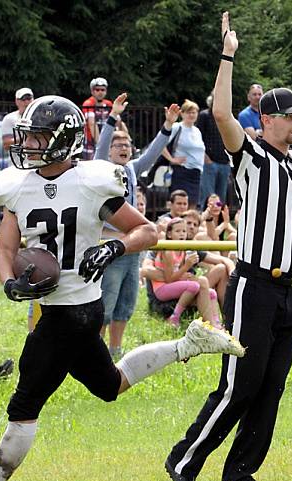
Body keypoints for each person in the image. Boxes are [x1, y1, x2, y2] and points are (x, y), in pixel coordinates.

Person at [0, 94, 244, 481]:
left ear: (62, 140)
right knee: (110, 385)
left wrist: (114, 246)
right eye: (30, 137)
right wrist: (9, 282)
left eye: (40, 137)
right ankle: (187, 345)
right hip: (65, 312)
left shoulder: (93, 181)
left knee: (24, 405)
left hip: (73, 311)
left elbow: (146, 231)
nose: (31, 145)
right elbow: (6, 247)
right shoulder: (16, 184)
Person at [164, 13, 292, 481]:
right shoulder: (251, 153)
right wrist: (227, 56)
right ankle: (184, 461)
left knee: (270, 389)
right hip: (253, 285)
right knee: (239, 385)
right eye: (290, 117)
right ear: (267, 120)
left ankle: (240, 474)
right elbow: (221, 112)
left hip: (289, 290)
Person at [95, 92, 181, 359]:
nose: (123, 148)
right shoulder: (102, 169)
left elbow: (154, 152)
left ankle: (115, 350)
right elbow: (99, 151)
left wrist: (167, 125)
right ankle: (95, 353)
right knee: (105, 305)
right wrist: (113, 118)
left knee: (126, 305)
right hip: (112, 248)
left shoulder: (132, 168)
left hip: (134, 252)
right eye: (118, 144)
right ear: (110, 149)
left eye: (127, 144)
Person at [153, 217, 221, 327]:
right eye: (178, 231)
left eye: (184, 231)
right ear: (169, 234)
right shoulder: (168, 251)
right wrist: (187, 266)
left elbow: (177, 274)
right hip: (161, 289)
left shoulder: (183, 249)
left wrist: (185, 275)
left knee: (212, 293)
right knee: (194, 286)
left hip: (174, 285)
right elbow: (169, 279)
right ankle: (174, 317)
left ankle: (216, 323)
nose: (182, 234)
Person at [163, 99, 206, 209]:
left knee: (193, 205)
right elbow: (160, 144)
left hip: (196, 173)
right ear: (182, 113)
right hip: (182, 171)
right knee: (180, 204)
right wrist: (172, 159)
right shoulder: (177, 127)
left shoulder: (197, 131)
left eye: (194, 112)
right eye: (188, 112)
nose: (191, 115)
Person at [197, 93, 231, 206]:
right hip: (209, 162)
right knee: (208, 199)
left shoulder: (228, 117)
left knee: (221, 201)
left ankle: (219, 222)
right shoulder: (204, 115)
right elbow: (198, 137)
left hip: (225, 162)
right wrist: (205, 157)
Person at [81, 77, 114, 160]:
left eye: (103, 90)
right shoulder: (88, 103)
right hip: (91, 142)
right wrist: (100, 144)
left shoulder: (108, 104)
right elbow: (92, 124)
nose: (100, 92)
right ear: (92, 91)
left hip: (106, 141)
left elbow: (118, 122)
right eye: (97, 90)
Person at [0, 88, 33, 154]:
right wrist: (26, 137)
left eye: (29, 98)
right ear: (16, 101)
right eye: (23, 99)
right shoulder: (9, 118)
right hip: (18, 162)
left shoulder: (40, 117)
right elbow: (6, 144)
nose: (26, 102)